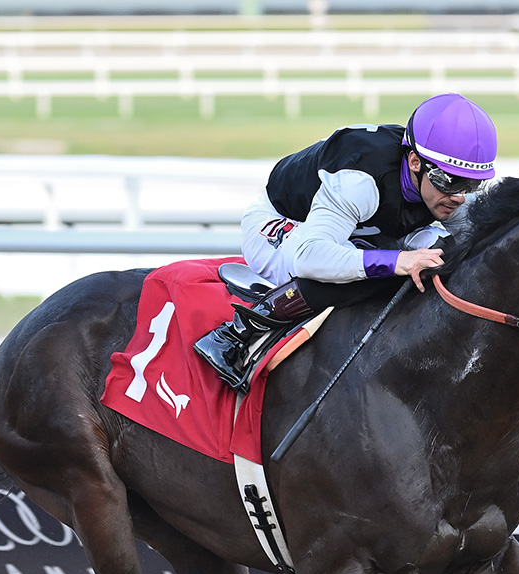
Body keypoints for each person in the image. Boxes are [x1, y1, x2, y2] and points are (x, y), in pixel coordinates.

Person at [194, 92, 499, 390]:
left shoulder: (440, 183)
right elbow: (309, 258)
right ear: (415, 162)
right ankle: (238, 333)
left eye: (472, 184)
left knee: (444, 252)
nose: (460, 197)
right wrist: (397, 261)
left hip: (362, 225)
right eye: (449, 181)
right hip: (285, 224)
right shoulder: (359, 181)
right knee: (371, 271)